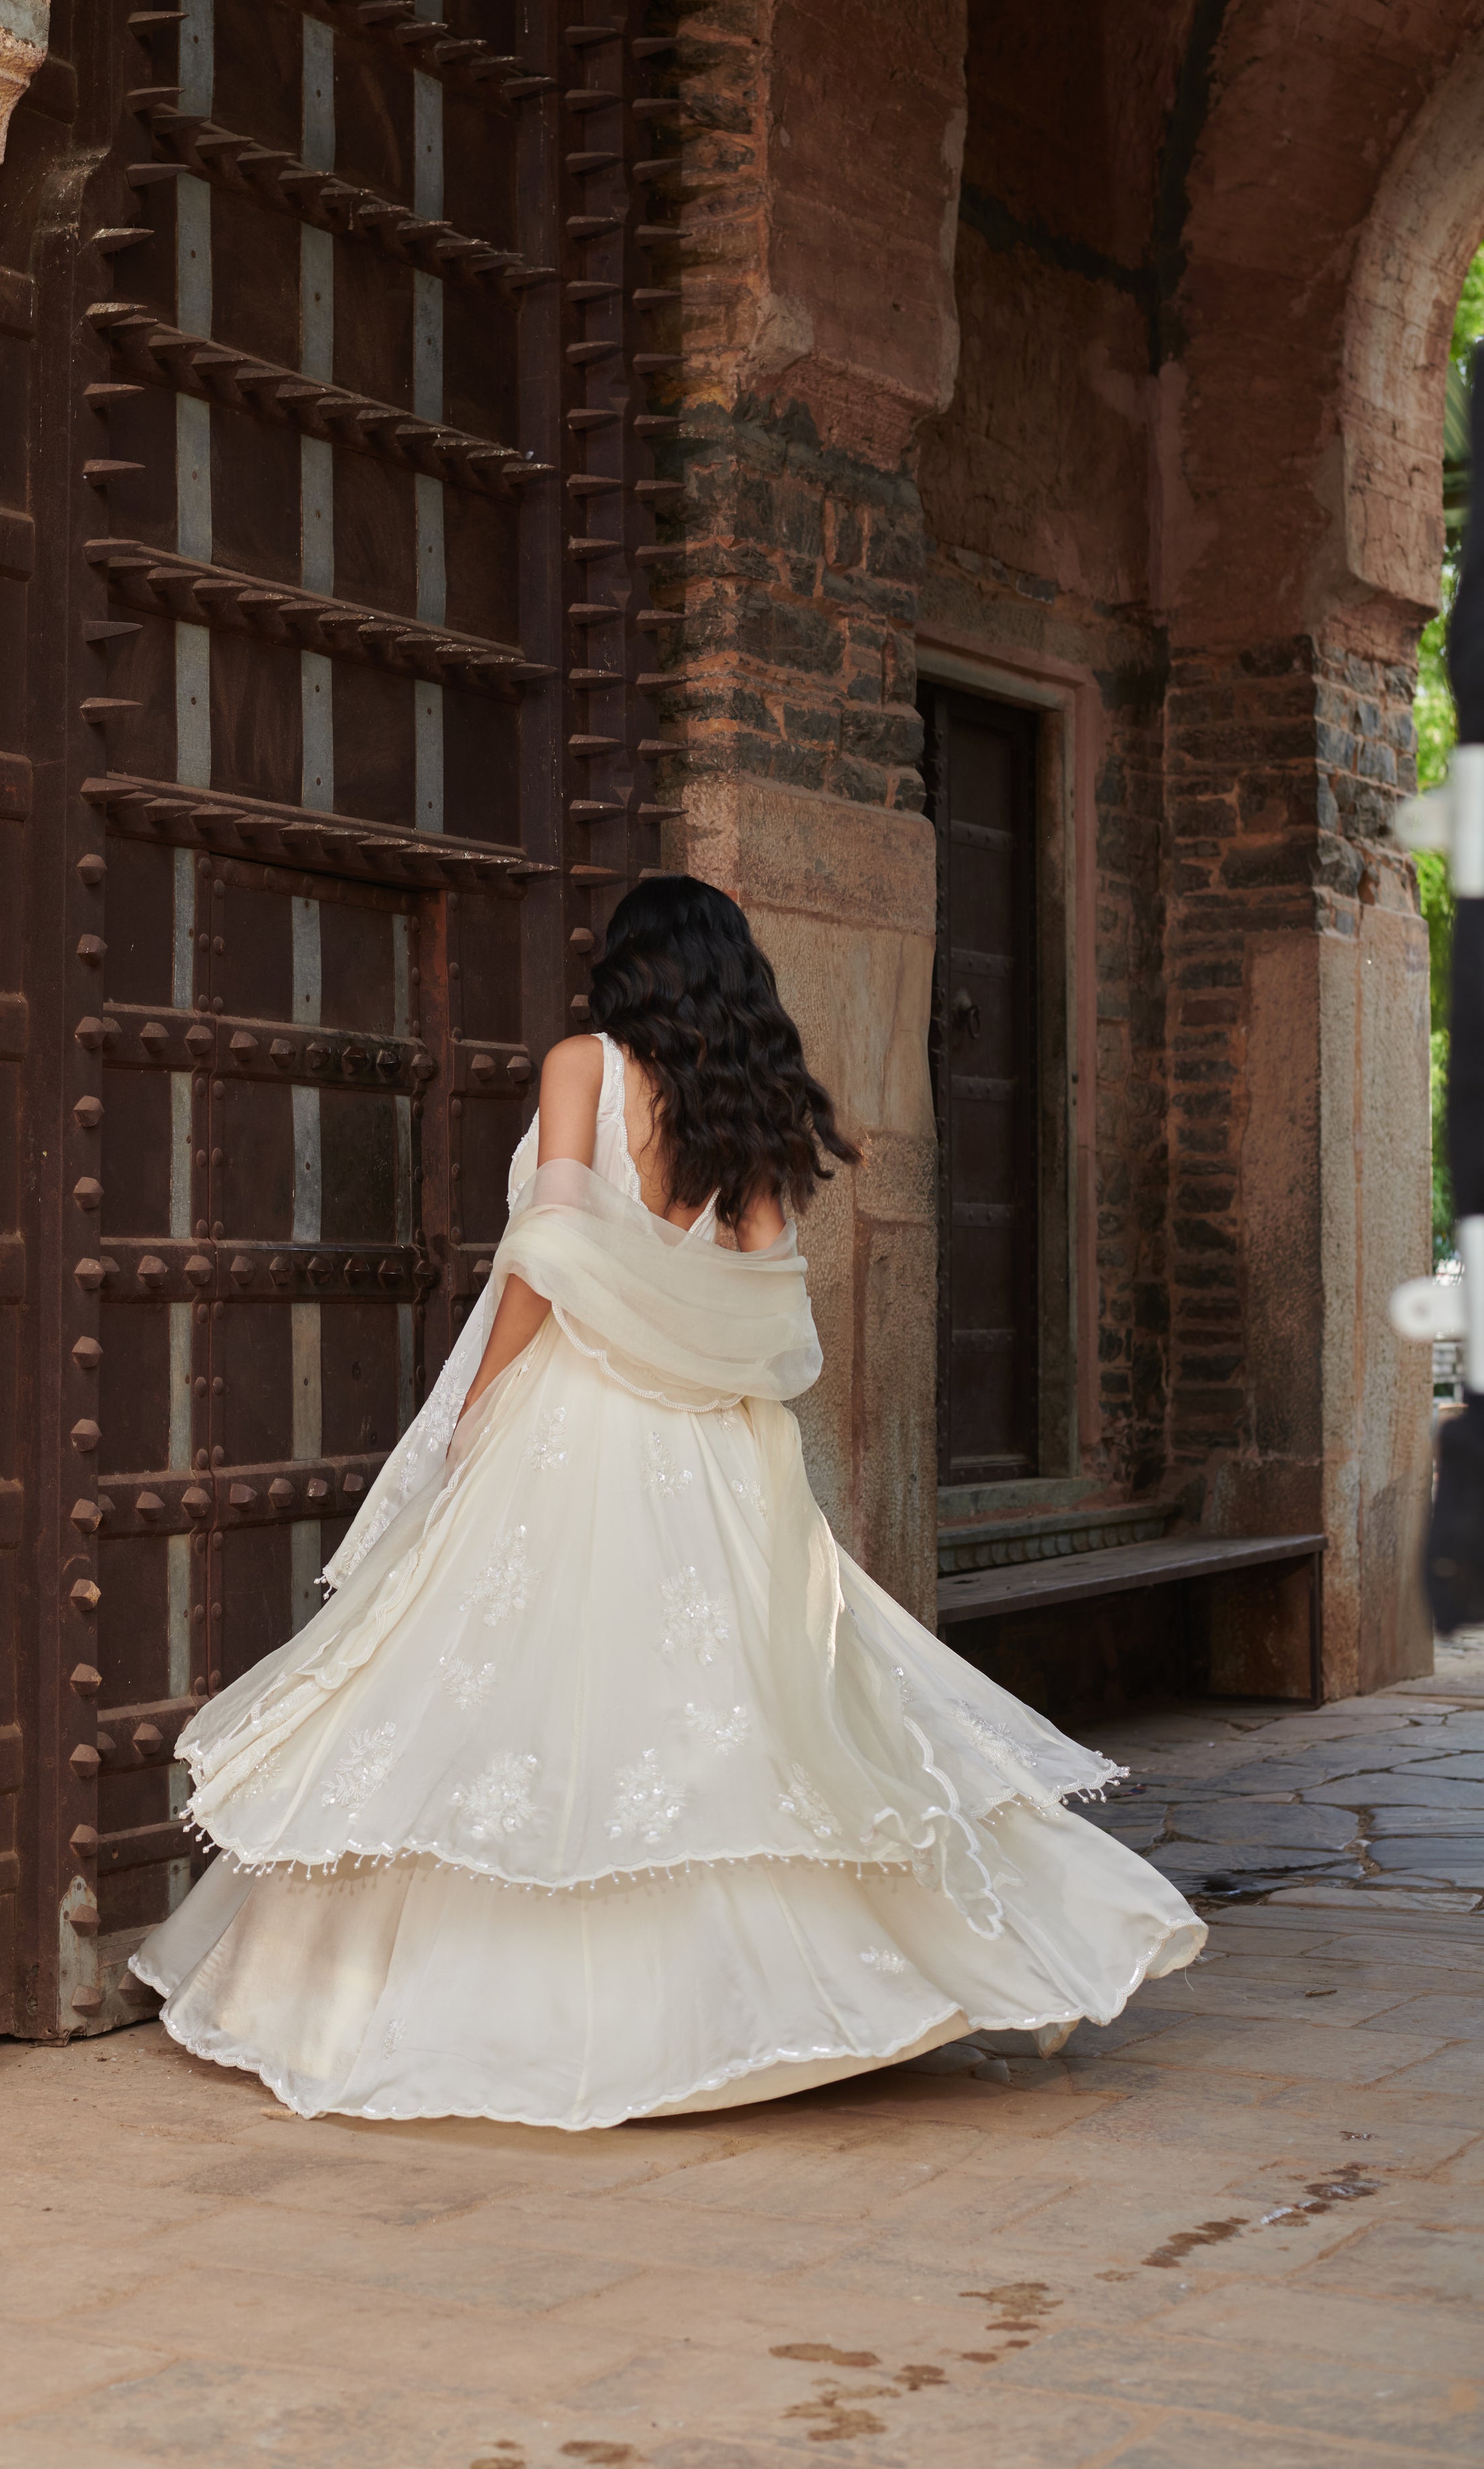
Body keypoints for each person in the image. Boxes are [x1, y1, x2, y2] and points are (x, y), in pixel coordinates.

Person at [133, 876, 1202, 2126]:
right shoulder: (742, 1109)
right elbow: (766, 1297)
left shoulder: (583, 1062)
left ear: (627, 969)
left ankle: (497, 2015)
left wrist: (477, 1404)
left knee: (518, 1696)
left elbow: (548, 1248)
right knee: (738, 1712)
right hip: (716, 1440)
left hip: (573, 1417)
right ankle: (828, 1996)